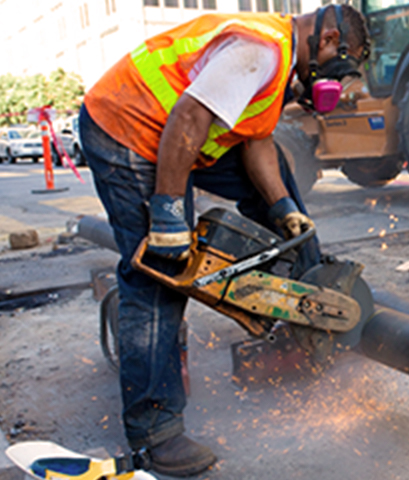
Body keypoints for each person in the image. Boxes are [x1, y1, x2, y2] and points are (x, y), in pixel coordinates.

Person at [79, 5, 370, 477]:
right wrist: (170, 215)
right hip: (128, 129)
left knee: (281, 185)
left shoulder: (279, 64)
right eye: (343, 60)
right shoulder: (260, 51)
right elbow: (188, 119)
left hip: (172, 130)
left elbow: (255, 143)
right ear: (329, 39)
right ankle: (155, 435)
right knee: (160, 273)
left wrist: (284, 211)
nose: (336, 76)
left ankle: (311, 292)